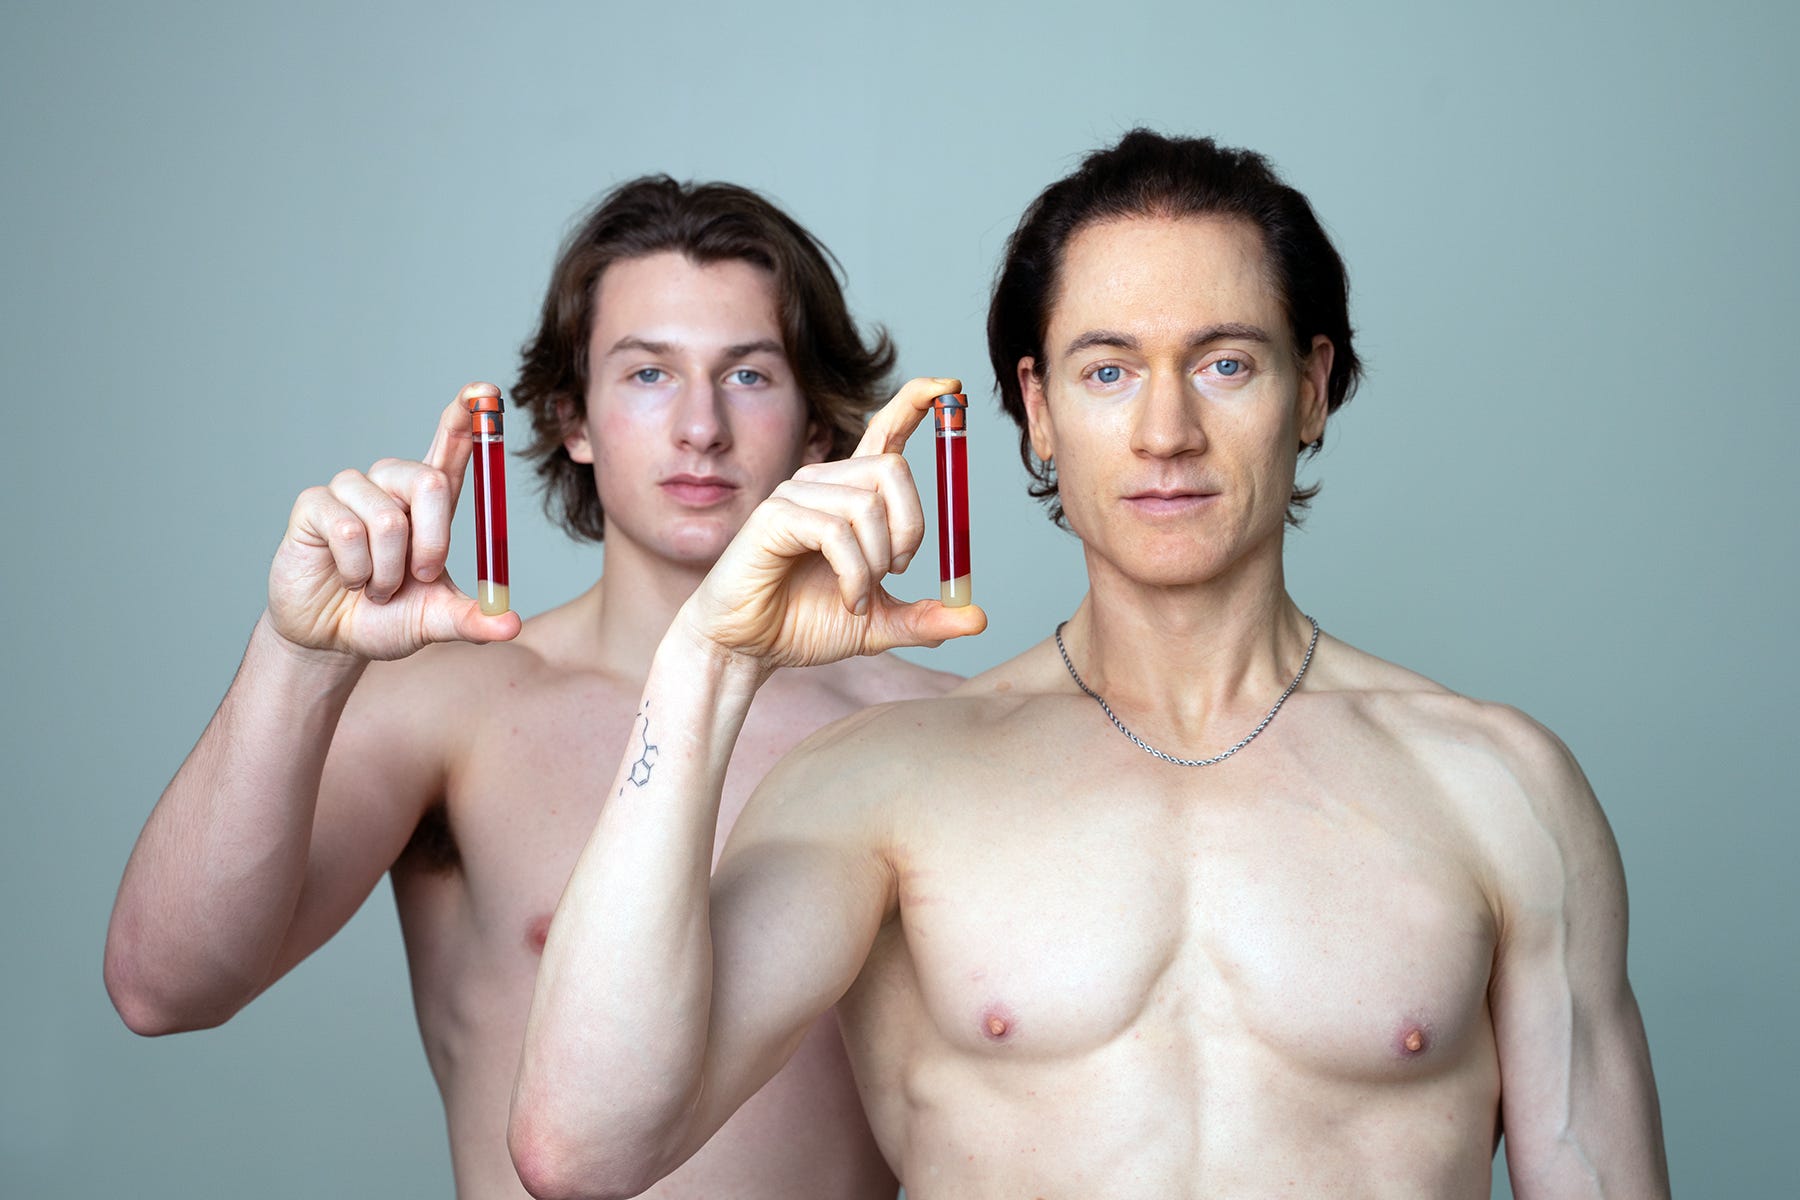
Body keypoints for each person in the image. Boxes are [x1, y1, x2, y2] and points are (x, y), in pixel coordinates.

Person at [509, 132, 1671, 1198]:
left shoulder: (1500, 789)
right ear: (1038, 408)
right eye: (1108, 371)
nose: (1167, 433)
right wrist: (708, 661)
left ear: (1311, 389)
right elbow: (583, 1148)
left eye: (1224, 364)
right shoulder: (882, 784)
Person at [104, 176, 954, 1199]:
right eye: (648, 373)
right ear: (573, 418)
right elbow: (162, 990)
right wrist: (300, 656)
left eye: (748, 374)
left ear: (817, 427)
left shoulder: (920, 729)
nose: (701, 426)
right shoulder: (455, 708)